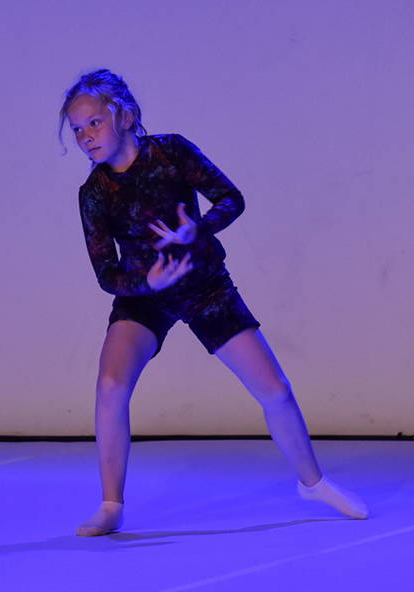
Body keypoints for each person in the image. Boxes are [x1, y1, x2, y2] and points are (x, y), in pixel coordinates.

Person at [59, 69, 368, 536]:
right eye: (77, 129)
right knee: (110, 385)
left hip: (204, 286)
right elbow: (107, 274)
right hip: (145, 298)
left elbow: (230, 198)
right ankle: (111, 504)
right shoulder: (94, 194)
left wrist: (197, 229)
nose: (85, 137)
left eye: (94, 123)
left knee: (275, 390)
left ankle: (313, 483)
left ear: (125, 116)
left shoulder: (173, 152)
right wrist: (146, 280)